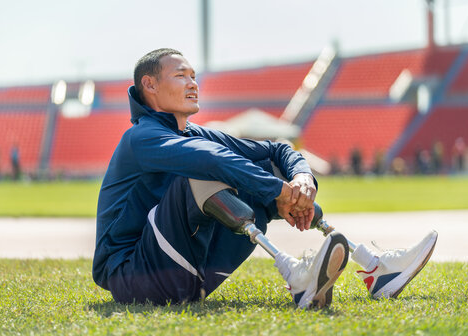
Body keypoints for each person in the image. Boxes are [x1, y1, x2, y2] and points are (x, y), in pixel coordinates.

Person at [92, 48, 438, 308]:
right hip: (133, 277)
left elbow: (277, 149)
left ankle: (375, 268)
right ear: (149, 84)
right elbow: (206, 159)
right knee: (207, 170)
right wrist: (277, 191)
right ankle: (295, 275)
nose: (193, 83)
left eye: (195, 75)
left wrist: (302, 180)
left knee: (265, 169)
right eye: (181, 75)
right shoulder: (140, 138)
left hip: (190, 276)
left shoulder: (195, 132)